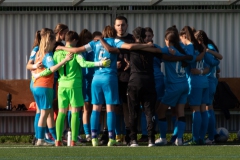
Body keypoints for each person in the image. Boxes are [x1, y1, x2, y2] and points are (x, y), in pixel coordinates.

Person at [56, 25, 154, 146]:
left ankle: (93, 138)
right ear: (113, 33)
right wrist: (147, 45)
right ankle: (112, 138)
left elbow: (76, 50)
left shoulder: (94, 42)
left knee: (95, 109)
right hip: (109, 78)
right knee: (110, 108)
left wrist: (60, 47)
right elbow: (129, 46)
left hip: (96, 79)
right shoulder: (114, 41)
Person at [51, 31, 111, 146]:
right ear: (74, 40)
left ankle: (58, 140)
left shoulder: (57, 53)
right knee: (75, 112)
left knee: (61, 113)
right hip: (75, 85)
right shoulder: (76, 53)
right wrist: (100, 63)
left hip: (62, 85)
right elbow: (84, 64)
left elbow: (53, 66)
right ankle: (73, 140)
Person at [31, 29, 73, 146]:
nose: (56, 42)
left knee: (45, 111)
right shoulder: (48, 55)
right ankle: (40, 139)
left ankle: (54, 138)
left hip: (36, 84)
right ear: (49, 40)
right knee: (44, 113)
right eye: (54, 40)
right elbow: (52, 68)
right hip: (44, 86)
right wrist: (64, 60)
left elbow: (31, 65)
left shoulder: (38, 51)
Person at [155, 29, 195, 146]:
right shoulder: (183, 50)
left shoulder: (169, 50)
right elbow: (191, 57)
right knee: (180, 112)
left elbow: (156, 50)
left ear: (167, 40)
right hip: (184, 85)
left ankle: (163, 138)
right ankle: (180, 139)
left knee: (160, 111)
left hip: (174, 86)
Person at [179, 26, 209, 145]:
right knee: (203, 109)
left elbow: (190, 60)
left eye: (181, 38)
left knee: (196, 110)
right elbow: (208, 66)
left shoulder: (189, 49)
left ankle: (195, 138)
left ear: (184, 37)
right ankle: (201, 137)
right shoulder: (200, 47)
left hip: (195, 83)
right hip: (205, 82)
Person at [194, 30, 222, 144]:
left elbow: (214, 62)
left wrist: (206, 53)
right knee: (207, 108)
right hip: (211, 81)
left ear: (199, 40)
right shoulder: (209, 46)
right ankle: (212, 135)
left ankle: (211, 136)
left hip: (209, 81)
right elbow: (217, 66)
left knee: (207, 108)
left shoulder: (208, 47)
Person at [114, 16, 135, 145]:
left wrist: (131, 63)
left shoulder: (132, 39)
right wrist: (112, 64)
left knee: (128, 107)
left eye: (122, 25)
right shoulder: (110, 40)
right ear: (114, 26)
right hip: (114, 79)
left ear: (127, 25)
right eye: (118, 25)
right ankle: (115, 134)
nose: (120, 27)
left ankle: (129, 134)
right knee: (114, 107)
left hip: (129, 78)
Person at [26, 30, 41, 145]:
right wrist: (35, 66)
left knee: (41, 111)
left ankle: (39, 136)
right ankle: (38, 136)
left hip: (40, 82)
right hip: (38, 82)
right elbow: (29, 65)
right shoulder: (36, 49)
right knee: (41, 111)